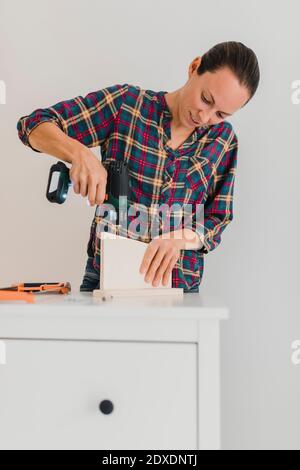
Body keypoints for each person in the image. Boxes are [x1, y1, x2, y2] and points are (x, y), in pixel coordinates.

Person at [17, 41, 260, 293]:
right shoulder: (127, 106)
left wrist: (179, 239)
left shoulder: (223, 141)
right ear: (194, 67)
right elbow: (33, 125)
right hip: (107, 283)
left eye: (221, 114)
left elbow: (218, 218)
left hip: (180, 289)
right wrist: (79, 154)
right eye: (206, 99)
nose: (205, 117)